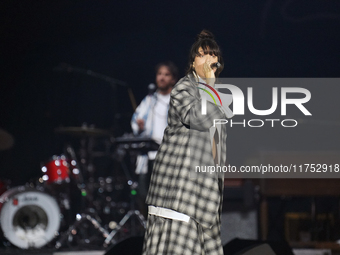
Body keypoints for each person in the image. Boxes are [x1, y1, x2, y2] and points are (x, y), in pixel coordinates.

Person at [142, 30, 233, 255]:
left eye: (212, 55)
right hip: (178, 191)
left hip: (204, 193)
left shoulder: (221, 95)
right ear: (193, 62)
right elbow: (197, 117)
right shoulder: (184, 88)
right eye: (202, 55)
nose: (208, 60)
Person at [131, 61, 179, 214]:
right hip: (149, 156)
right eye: (159, 74)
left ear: (173, 79)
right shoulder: (149, 100)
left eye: (166, 74)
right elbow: (135, 120)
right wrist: (139, 125)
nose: (162, 78)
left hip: (169, 157)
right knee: (145, 197)